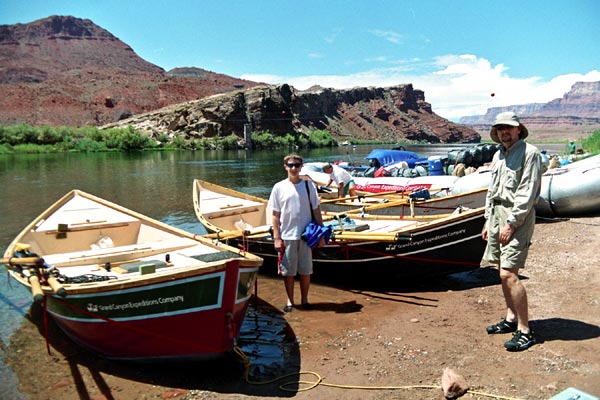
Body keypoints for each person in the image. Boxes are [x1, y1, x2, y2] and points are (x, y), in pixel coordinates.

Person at [481, 111, 543, 351]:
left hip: (516, 218)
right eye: (500, 129)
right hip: (496, 216)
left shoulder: (530, 154)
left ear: (519, 129)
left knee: (509, 273)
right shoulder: (498, 155)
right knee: (500, 271)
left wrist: (511, 223)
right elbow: (491, 190)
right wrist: (488, 221)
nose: (504, 132)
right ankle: (510, 319)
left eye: (508, 128)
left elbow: (527, 193)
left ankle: (526, 331)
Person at [268, 153, 324, 313]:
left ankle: (305, 300)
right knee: (288, 271)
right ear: (285, 167)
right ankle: (290, 301)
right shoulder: (279, 187)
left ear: (301, 167)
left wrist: (322, 233)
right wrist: (276, 238)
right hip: (287, 235)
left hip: (306, 235)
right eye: (291, 165)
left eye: (297, 165)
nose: (294, 168)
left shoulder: (308, 186)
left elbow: (316, 209)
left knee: (306, 271)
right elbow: (275, 215)